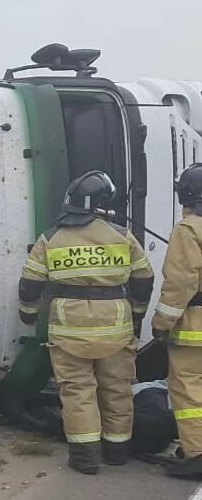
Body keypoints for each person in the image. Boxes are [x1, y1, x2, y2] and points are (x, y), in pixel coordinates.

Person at [19, 170, 154, 474]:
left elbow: (29, 284)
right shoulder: (122, 235)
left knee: (77, 391)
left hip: (69, 331)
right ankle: (118, 452)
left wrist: (27, 314)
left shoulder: (51, 238)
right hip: (116, 330)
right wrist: (137, 313)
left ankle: (85, 457)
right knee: (117, 388)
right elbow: (144, 278)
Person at [151, 163, 202, 479]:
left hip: (196, 329)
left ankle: (197, 453)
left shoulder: (189, 229)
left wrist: (161, 324)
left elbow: (181, 283)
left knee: (189, 390)